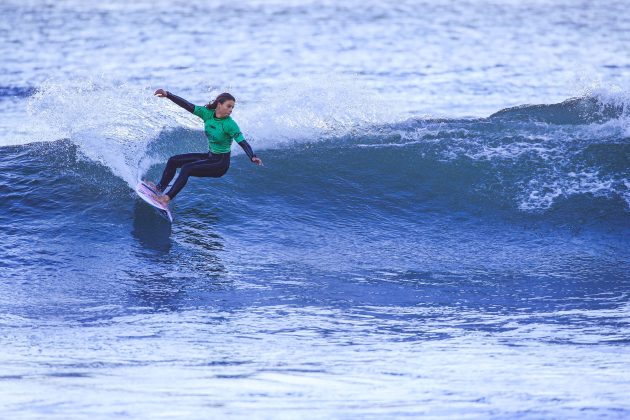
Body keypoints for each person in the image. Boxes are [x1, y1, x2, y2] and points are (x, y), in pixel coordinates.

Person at [149, 89, 262, 206]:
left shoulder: (230, 124)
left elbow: (242, 142)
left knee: (186, 168)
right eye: (228, 106)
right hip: (210, 157)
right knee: (173, 160)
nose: (231, 110)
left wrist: (252, 156)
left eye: (232, 107)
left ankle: (166, 199)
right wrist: (168, 95)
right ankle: (159, 188)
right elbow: (188, 105)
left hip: (220, 164)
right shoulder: (207, 114)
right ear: (219, 104)